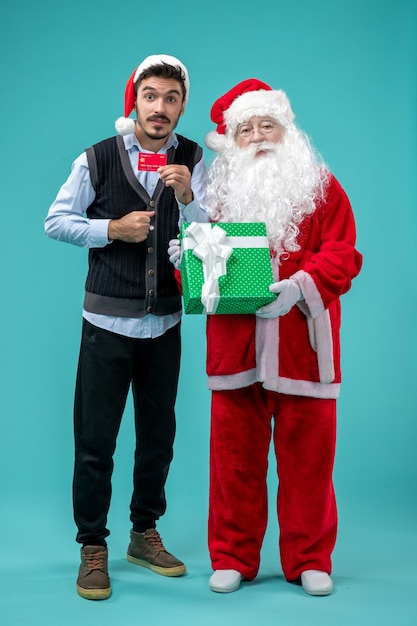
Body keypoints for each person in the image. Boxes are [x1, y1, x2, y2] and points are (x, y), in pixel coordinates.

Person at [169, 78, 362, 595]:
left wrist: (302, 286)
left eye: (267, 125)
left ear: (286, 130)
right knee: (233, 463)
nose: (257, 136)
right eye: (246, 128)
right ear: (231, 140)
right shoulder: (217, 197)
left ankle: (310, 558)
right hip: (235, 350)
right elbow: (200, 273)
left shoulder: (321, 187)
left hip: (305, 349)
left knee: (309, 462)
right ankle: (232, 555)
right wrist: (186, 263)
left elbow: (344, 253)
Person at [45, 54, 207, 600]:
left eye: (171, 99)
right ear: (134, 101)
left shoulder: (194, 160)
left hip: (165, 322)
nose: (159, 108)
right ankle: (93, 545)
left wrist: (189, 198)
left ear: (182, 106)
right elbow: (56, 222)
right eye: (151, 97)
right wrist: (111, 227)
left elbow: (217, 235)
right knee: (96, 440)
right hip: (106, 321)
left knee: (158, 437)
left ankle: (144, 533)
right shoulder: (95, 158)